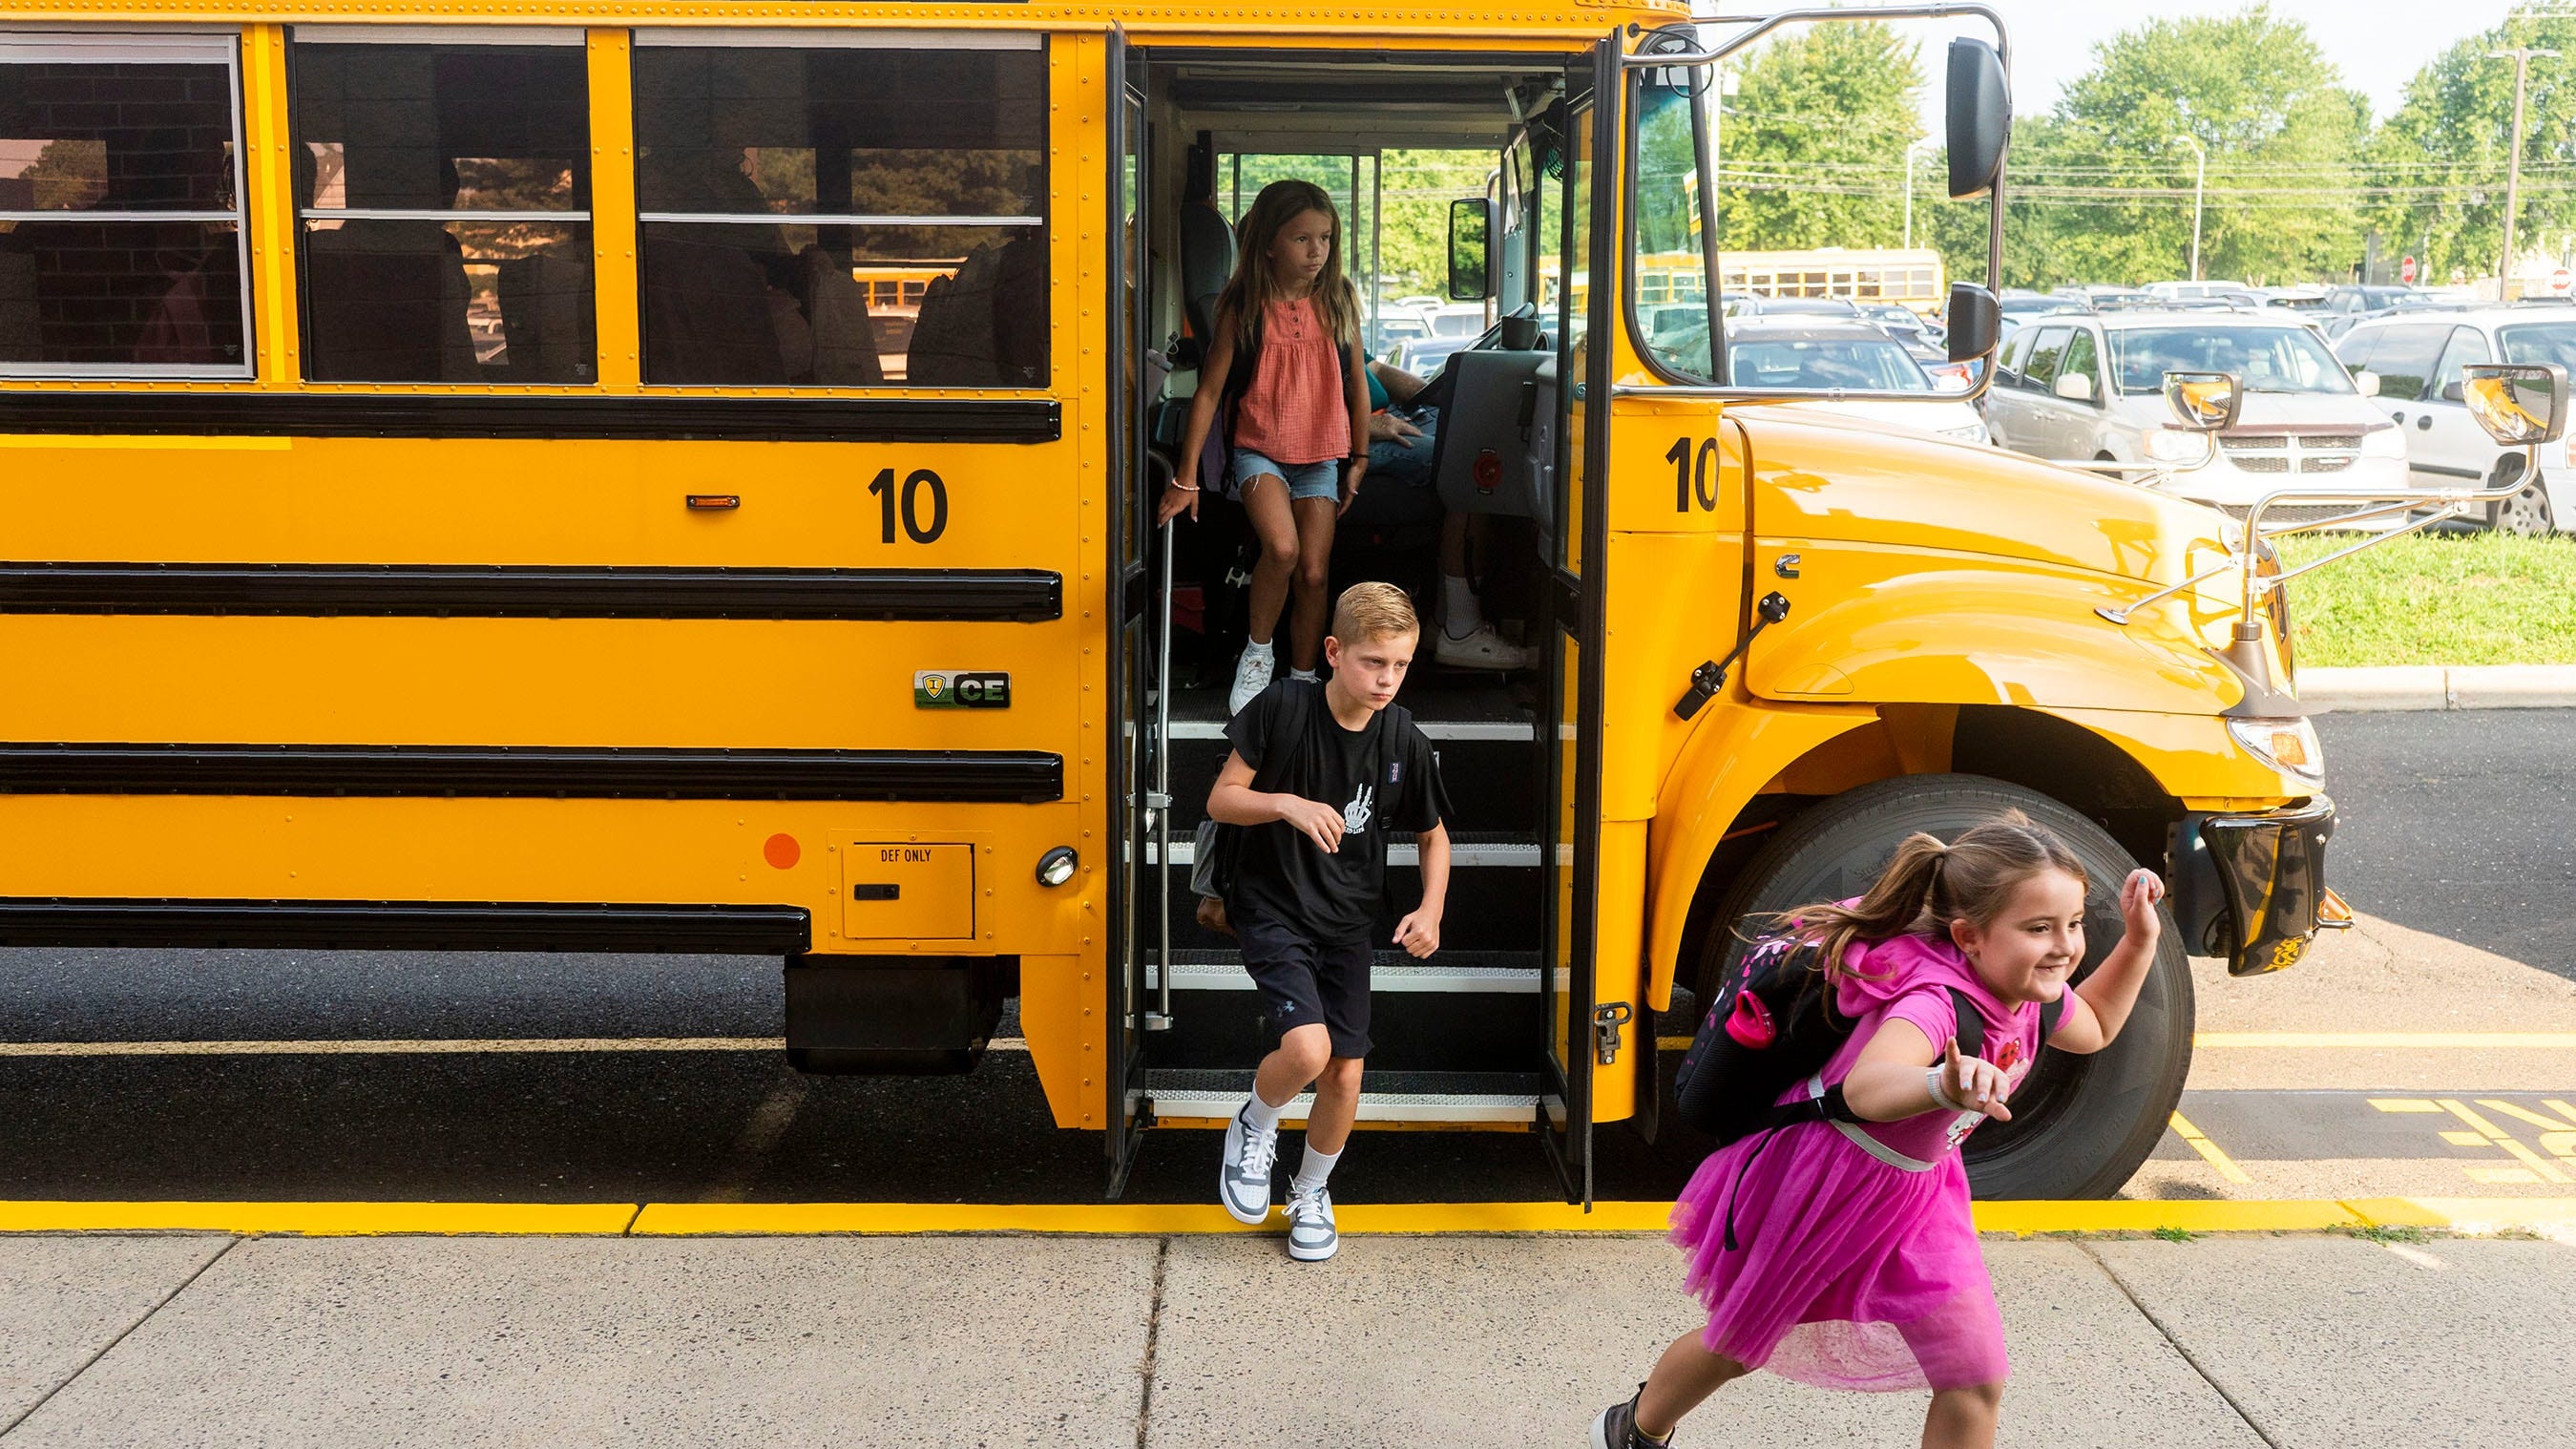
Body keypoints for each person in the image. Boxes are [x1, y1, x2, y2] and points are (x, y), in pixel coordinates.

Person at [1590, 811, 2167, 1449]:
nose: (2063, 945)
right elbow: (1866, 1086)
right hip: (1821, 1185)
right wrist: (1939, 1086)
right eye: (2038, 928)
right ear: (1969, 937)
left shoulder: (2032, 993)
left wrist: (2139, 939)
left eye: (2074, 924)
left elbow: (2098, 1029)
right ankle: (1633, 1430)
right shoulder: (1933, 1002)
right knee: (1737, 1345)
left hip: (1919, 1197)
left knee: (1973, 1376)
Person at [1205, 581, 1455, 1261]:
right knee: (1308, 1052)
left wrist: (1429, 908)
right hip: (1274, 905)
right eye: (1374, 662)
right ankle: (1255, 1122)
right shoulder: (1283, 707)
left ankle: (1311, 1191)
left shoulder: (1401, 735)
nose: (1386, 679)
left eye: (1400, 666)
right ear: (1333, 651)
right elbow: (1222, 798)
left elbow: (1433, 834)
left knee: (1346, 1074)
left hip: (1347, 920)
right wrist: (1285, 804)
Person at [1159, 179, 1373, 715]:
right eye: (1302, 239)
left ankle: (1302, 681)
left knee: (1315, 573)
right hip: (1261, 451)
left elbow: (1357, 383)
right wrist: (1186, 477)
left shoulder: (1339, 298)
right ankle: (1257, 656)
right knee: (1282, 550)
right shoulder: (1245, 306)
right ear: (1271, 244)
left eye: (1325, 238)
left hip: (1321, 454)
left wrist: (1361, 457)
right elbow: (1208, 392)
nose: (1316, 251)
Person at [1360, 355, 1532, 671]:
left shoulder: (1331, 312)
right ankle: (1461, 631)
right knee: (1471, 465)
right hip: (1350, 436)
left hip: (1390, 414)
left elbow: (1376, 370)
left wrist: (1436, 394)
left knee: (1472, 436)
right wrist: (1366, 425)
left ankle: (1443, 620)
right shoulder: (1288, 323)